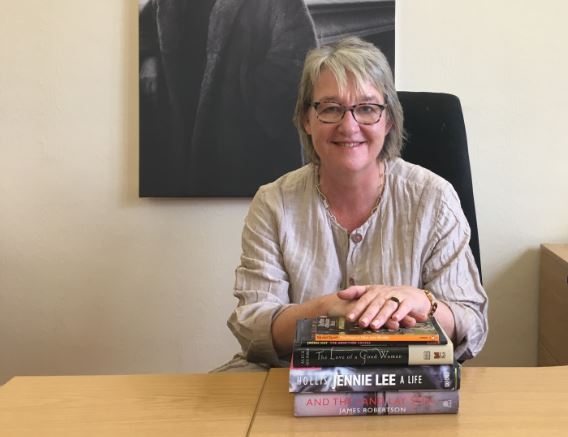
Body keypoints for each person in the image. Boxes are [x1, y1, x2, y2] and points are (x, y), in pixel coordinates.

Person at [216, 37, 488, 372]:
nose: (349, 125)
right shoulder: (274, 203)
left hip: (404, 379)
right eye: (330, 108)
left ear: (388, 120)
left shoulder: (432, 197)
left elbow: (469, 321)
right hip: (294, 385)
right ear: (306, 119)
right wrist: (323, 310)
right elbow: (255, 326)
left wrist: (422, 303)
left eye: (367, 108)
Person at [139, 0, 317, 196]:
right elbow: (146, 25)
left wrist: (245, 100)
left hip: (242, 143)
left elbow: (299, 55)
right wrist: (148, 59)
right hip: (179, 132)